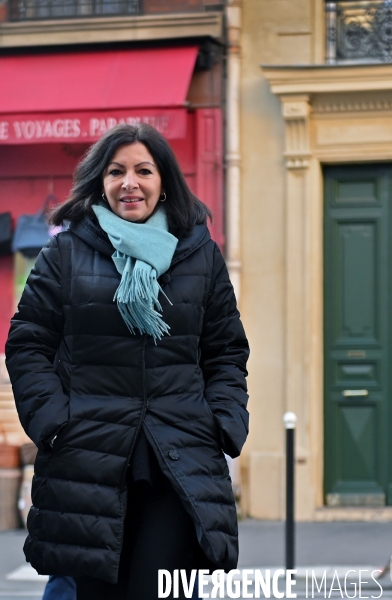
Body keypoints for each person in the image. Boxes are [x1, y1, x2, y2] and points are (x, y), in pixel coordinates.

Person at [6, 123, 249, 600]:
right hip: (89, 456)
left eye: (143, 170)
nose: (129, 183)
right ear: (101, 180)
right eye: (116, 171)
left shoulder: (200, 254)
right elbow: (28, 343)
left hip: (177, 456)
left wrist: (223, 423)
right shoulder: (66, 251)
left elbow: (225, 350)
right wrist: (54, 422)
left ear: (164, 182)